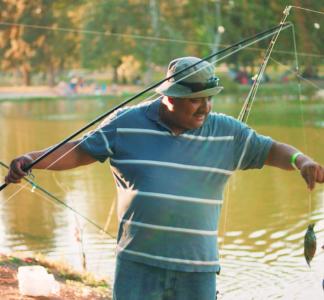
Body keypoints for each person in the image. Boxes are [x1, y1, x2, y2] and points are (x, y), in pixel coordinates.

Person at [4, 56, 324, 300]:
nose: (205, 108)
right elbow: (78, 151)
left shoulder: (227, 132)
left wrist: (301, 160)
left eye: (210, 98)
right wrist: (32, 159)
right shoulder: (126, 123)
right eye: (196, 99)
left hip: (197, 271)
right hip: (137, 266)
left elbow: (271, 150)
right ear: (170, 96)